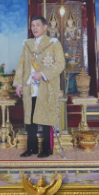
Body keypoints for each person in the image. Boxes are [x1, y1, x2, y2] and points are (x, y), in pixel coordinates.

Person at [13, 14, 65, 157]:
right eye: (32, 25)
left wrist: (42, 73)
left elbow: (60, 64)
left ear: (45, 27)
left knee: (46, 119)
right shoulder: (27, 45)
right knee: (30, 120)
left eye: (37, 25)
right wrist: (18, 84)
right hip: (30, 87)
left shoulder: (53, 43)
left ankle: (47, 149)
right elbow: (21, 65)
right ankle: (32, 148)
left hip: (46, 87)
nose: (34, 28)